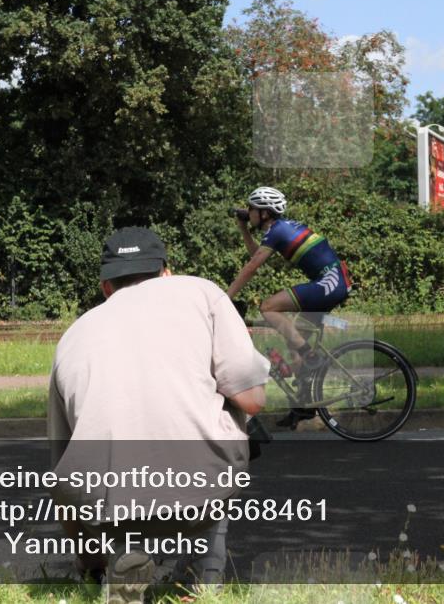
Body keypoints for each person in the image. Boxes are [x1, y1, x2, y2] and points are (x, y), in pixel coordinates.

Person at [48, 226, 269, 604]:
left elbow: (62, 462)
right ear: (166, 272)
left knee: (90, 470)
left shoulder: (73, 334)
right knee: (237, 416)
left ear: (106, 288)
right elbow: (251, 399)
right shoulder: (201, 292)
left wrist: (88, 563)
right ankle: (203, 580)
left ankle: (117, 561)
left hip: (108, 501)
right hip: (201, 487)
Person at [226, 186, 352, 425]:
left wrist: (226, 296)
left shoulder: (278, 231)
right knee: (294, 342)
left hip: (328, 283)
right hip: (333, 282)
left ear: (263, 213)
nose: (248, 211)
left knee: (268, 307)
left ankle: (311, 356)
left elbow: (252, 267)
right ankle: (303, 406)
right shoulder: (278, 229)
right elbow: (257, 256)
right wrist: (244, 227)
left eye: (251, 208)